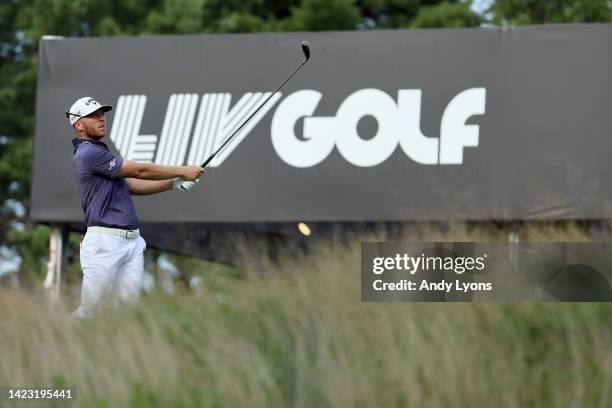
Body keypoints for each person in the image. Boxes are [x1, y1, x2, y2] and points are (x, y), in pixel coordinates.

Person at [66, 96, 203, 318]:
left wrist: (174, 184)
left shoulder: (101, 153)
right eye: (93, 116)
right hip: (105, 243)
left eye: (102, 114)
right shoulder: (88, 154)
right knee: (92, 310)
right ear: (78, 124)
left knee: (125, 313)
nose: (101, 119)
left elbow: (131, 185)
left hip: (131, 243)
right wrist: (182, 170)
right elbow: (139, 171)